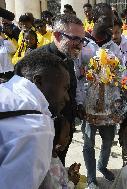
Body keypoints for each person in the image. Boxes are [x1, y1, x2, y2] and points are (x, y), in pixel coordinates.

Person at [0, 50, 70, 189]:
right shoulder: (36, 127)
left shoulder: (6, 91)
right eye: (65, 88)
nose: (67, 97)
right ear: (38, 81)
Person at [34, 14, 85, 165]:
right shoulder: (36, 60)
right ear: (57, 35)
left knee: (59, 165)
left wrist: (76, 109)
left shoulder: (69, 56)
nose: (79, 44)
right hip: (43, 132)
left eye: (82, 40)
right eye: (75, 39)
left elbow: (70, 89)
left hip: (66, 127)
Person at [81, 3, 121, 188]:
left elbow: (122, 72)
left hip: (109, 104)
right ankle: (90, 178)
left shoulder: (115, 45)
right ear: (94, 19)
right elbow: (77, 72)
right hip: (88, 104)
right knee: (89, 142)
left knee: (108, 141)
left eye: (112, 19)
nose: (111, 23)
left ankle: (102, 166)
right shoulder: (83, 43)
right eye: (107, 19)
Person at [40, 117, 81, 189]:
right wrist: (72, 182)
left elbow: (58, 173)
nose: (68, 138)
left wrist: (68, 171)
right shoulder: (49, 165)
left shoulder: (53, 155)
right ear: (53, 137)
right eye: (66, 136)